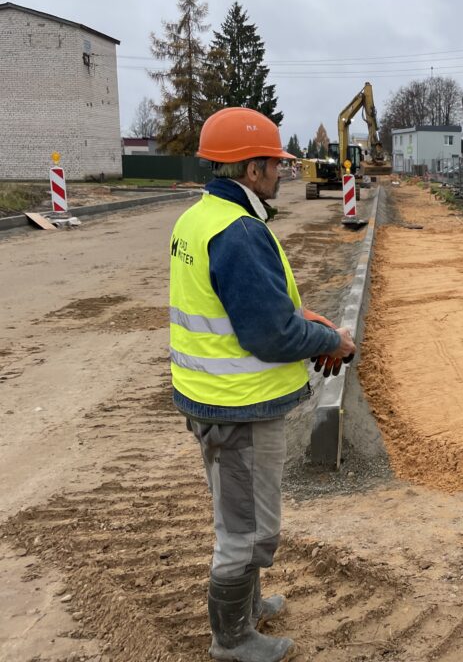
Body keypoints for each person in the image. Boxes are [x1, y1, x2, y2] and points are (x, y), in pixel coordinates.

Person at [169, 107, 356, 662]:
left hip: (213, 399)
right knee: (246, 529)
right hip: (239, 408)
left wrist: (308, 321)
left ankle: (246, 609)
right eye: (274, 163)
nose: (281, 172)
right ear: (252, 169)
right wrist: (330, 342)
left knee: (239, 515)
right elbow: (269, 334)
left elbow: (250, 311)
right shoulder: (240, 232)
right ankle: (232, 640)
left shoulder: (198, 218)